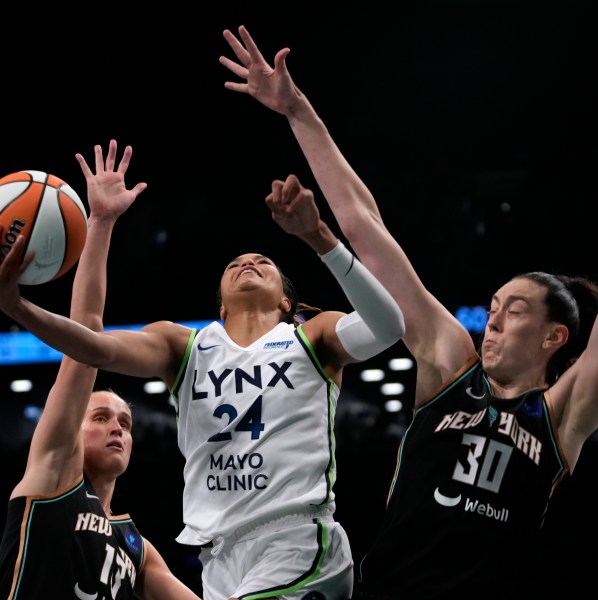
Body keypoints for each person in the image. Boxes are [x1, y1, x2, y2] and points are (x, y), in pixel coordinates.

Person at [219, 25, 598, 598]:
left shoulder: (562, 414)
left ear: (554, 336)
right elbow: (365, 227)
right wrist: (298, 111)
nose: (492, 320)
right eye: (493, 306)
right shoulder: (452, 365)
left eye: (514, 310)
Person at [0, 159, 405, 600]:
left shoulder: (312, 337)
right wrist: (22, 303)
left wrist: (317, 237)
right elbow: (92, 346)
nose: (249, 262)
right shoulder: (184, 347)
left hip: (294, 540)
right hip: (220, 558)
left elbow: (388, 326)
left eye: (263, 261)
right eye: (237, 262)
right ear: (221, 308)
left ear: (287, 301)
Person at [0, 140, 204, 599]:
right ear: (72, 428)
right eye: (101, 417)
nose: (117, 428)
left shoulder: (138, 549)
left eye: (125, 423)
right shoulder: (53, 478)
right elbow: (87, 337)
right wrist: (101, 223)